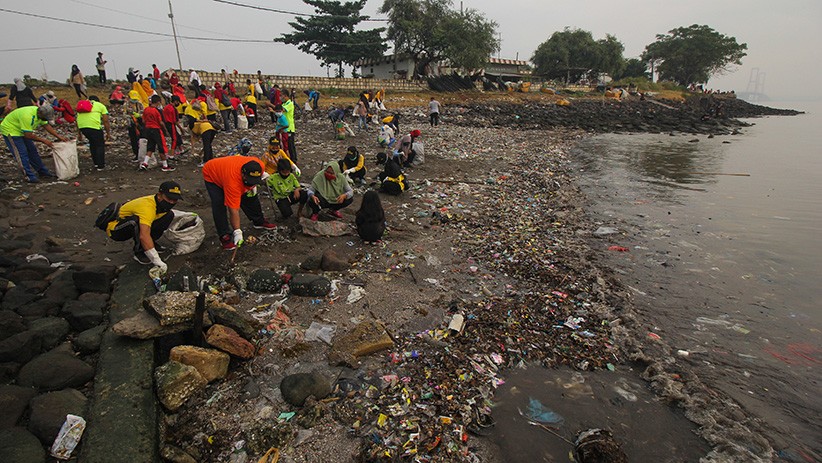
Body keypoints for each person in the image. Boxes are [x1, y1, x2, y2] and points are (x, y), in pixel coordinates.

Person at [202, 156, 276, 250]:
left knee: (250, 196)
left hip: (228, 168)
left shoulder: (259, 165)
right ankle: (225, 236)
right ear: (243, 175)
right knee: (219, 204)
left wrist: (252, 185)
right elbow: (233, 210)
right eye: (250, 181)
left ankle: (258, 221)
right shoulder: (233, 183)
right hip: (212, 173)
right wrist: (237, 231)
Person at [105, 181, 182, 271]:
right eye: (169, 198)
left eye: (175, 200)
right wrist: (157, 261)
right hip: (116, 229)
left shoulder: (162, 205)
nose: (172, 202)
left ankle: (151, 244)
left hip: (134, 223)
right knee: (135, 222)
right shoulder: (147, 207)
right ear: (159, 195)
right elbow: (144, 235)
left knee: (169, 215)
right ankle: (140, 251)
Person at [1, 105, 67, 183]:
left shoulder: (40, 114)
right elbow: (28, 135)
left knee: (32, 151)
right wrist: (44, 140)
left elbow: (46, 125)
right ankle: (28, 176)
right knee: (22, 153)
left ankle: (43, 172)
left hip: (22, 130)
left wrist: (59, 136)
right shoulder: (28, 117)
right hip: (11, 131)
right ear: (40, 113)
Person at [139, 95, 174, 172]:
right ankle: (165, 165)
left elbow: (143, 121)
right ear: (158, 102)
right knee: (161, 147)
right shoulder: (157, 111)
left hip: (148, 129)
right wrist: (166, 131)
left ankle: (145, 163)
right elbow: (161, 122)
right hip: (156, 130)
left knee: (150, 146)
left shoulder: (146, 110)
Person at [76, 95, 111, 171]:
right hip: (94, 127)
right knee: (99, 145)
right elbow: (105, 121)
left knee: (92, 143)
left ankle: (96, 163)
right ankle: (101, 166)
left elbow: (77, 119)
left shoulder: (83, 106)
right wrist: (108, 133)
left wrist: (79, 134)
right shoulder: (100, 105)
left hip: (83, 127)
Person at [282, 91, 297, 161]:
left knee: (290, 146)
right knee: (286, 145)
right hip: (284, 128)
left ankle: (294, 160)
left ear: (285, 96)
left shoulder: (290, 104)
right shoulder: (285, 103)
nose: (281, 98)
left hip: (289, 128)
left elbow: (282, 109)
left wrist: (271, 105)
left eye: (282, 96)